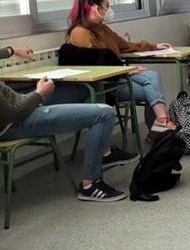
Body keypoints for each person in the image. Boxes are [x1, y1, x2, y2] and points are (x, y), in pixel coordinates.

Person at [0, 46, 139, 202]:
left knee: (94, 84)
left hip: (26, 105)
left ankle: (104, 152)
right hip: (15, 123)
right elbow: (9, 115)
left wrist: (12, 50)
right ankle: (90, 185)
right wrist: (39, 94)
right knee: (105, 114)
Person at [65, 0, 177, 138]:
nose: (109, 10)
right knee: (152, 91)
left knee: (153, 76)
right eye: (107, 5)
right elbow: (94, 66)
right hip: (105, 85)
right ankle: (160, 127)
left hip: (119, 75)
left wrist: (154, 46)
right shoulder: (80, 33)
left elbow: (124, 45)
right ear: (96, 8)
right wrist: (126, 71)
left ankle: (160, 125)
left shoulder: (102, 28)